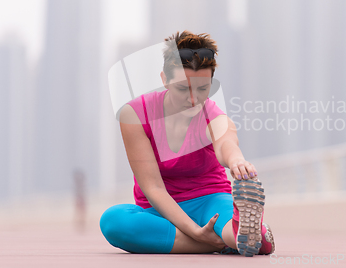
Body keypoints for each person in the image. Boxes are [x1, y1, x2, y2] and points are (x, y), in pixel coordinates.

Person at [100, 31, 275, 256]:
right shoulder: (134, 114)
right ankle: (237, 242)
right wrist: (195, 231)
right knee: (113, 222)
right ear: (164, 79)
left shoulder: (213, 115)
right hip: (158, 211)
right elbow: (152, 187)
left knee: (229, 225)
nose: (193, 99)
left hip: (210, 200)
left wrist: (237, 161)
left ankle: (240, 236)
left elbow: (226, 143)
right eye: (183, 88)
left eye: (203, 89)